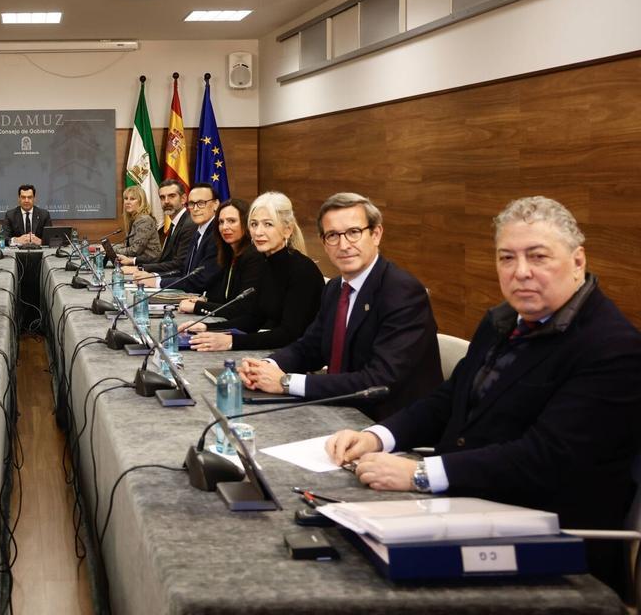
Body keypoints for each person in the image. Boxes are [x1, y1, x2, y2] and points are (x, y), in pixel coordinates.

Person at [326, 196, 641, 593]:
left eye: (538, 256)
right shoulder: (502, 320)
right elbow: (449, 399)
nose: (520, 272)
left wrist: (421, 475)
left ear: (578, 261)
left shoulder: (612, 348)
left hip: (555, 547)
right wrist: (378, 436)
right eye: (507, 258)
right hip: (463, 504)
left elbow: (546, 458)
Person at [239, 192, 441, 420]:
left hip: (388, 422)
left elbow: (378, 381)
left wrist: (286, 382)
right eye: (333, 235)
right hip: (338, 410)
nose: (344, 245)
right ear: (324, 243)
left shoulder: (402, 292)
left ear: (376, 234)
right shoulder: (336, 288)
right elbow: (310, 347)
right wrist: (265, 367)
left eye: (354, 232)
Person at [186, 191, 325, 352]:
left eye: (268, 224)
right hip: (275, 350)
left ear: (287, 230)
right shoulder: (265, 262)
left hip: (300, 358)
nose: (258, 232)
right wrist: (206, 327)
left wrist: (231, 342)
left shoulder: (302, 270)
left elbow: (289, 334)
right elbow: (253, 318)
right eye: (254, 224)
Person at [137, 182, 220, 293]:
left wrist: (157, 282)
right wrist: (154, 277)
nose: (195, 209)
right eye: (192, 204)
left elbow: (200, 280)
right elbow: (185, 271)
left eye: (201, 203)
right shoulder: (199, 232)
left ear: (216, 204)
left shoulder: (217, 235)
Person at [121, 178, 195, 278]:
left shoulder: (189, 224)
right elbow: (163, 258)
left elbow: (179, 264)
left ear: (183, 199)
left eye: (172, 196)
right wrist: (133, 261)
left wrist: (139, 268)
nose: (166, 201)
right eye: (162, 197)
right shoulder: (176, 223)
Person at [113, 186, 161, 265]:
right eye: (126, 198)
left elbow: (135, 250)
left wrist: (111, 250)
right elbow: (129, 245)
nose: (127, 202)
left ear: (141, 202)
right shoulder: (134, 219)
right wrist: (110, 247)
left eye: (132, 199)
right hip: (140, 263)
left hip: (149, 266)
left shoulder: (144, 220)